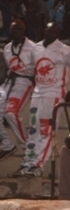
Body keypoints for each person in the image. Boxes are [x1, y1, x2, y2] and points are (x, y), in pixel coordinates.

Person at [19, 22, 70, 177]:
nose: (53, 33)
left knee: (46, 129)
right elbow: (30, 70)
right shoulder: (36, 48)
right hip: (37, 94)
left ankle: (38, 165)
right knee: (33, 128)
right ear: (44, 31)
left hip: (54, 94)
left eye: (56, 31)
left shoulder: (63, 50)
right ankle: (28, 162)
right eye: (50, 30)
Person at [0, 19, 36, 164]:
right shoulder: (7, 48)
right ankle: (6, 144)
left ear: (24, 30)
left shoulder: (33, 47)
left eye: (19, 29)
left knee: (11, 113)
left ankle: (29, 149)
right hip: (9, 81)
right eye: (13, 29)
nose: (16, 32)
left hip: (25, 80)